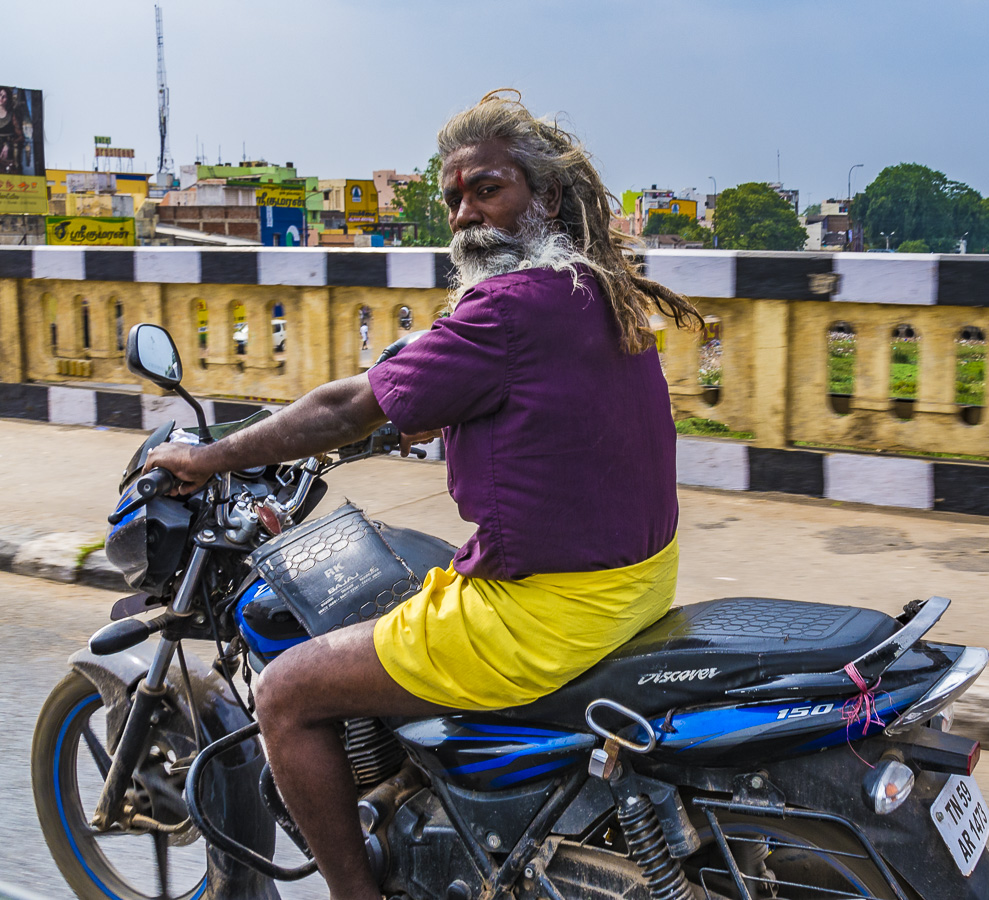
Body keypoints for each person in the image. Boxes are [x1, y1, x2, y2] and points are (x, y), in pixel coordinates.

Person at [144, 89, 702, 900]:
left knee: (288, 691)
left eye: (489, 189)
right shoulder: (593, 290)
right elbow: (509, 404)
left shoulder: (506, 309)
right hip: (636, 582)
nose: (467, 215)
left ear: (543, 196)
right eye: (455, 200)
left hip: (548, 613)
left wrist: (213, 455)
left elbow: (346, 406)